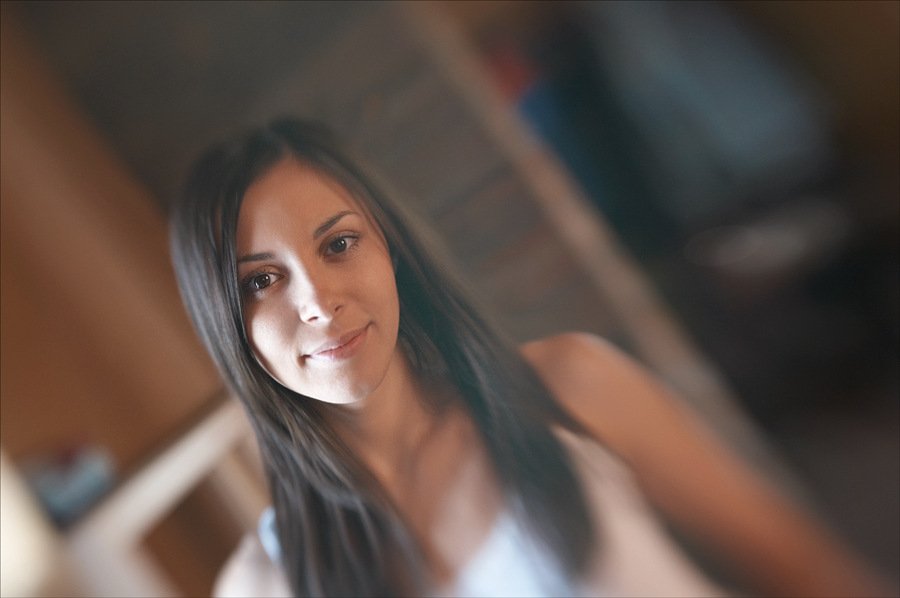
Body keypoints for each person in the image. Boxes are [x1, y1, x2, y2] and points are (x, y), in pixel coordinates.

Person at [170, 118, 892, 597]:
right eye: (260, 281)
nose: (318, 302)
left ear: (392, 252)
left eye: (339, 244)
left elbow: (811, 573)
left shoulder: (571, 386)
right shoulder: (266, 585)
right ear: (224, 325)